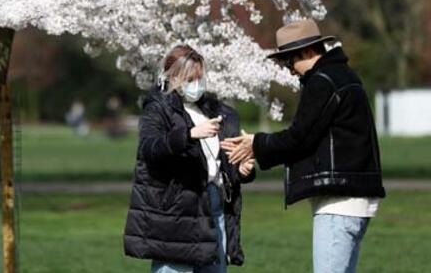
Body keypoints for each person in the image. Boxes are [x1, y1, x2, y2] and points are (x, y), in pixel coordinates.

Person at [221, 19, 385, 273]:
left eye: (289, 60)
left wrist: (256, 143)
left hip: (338, 202)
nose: (288, 70)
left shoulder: (322, 81)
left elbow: (299, 137)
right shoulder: (343, 76)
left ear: (308, 51)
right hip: (353, 199)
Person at [124, 44, 256, 273]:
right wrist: (189, 135)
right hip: (175, 209)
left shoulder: (217, 111)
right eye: (189, 79)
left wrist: (243, 169)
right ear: (171, 77)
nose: (196, 84)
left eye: (199, 77)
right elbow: (150, 148)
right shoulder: (158, 108)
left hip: (214, 204)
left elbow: (222, 161)